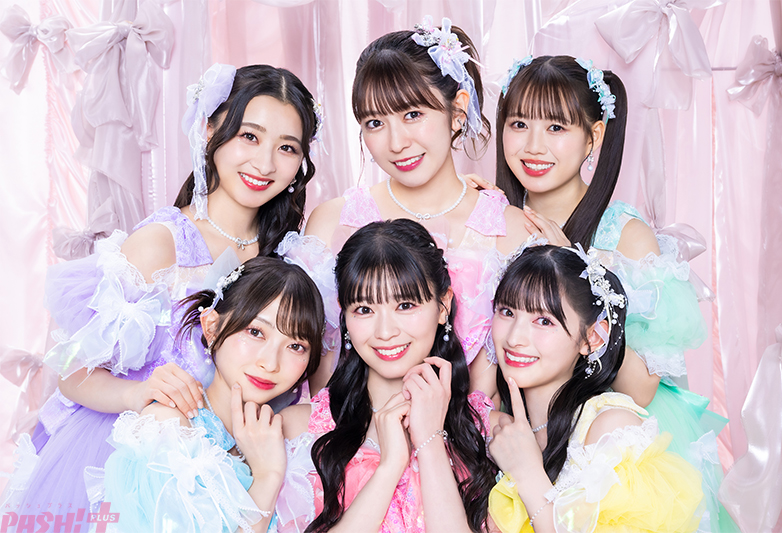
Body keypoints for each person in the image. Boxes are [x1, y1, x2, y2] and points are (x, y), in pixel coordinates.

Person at [1, 63, 320, 516]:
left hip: (237, 465)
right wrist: (136, 394)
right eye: (249, 136)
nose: (265, 163)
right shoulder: (161, 245)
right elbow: (70, 369)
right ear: (210, 131)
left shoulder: (290, 257)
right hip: (135, 461)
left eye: (286, 147)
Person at [495, 55, 734, 532]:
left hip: (606, 444)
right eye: (519, 124)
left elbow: (640, 388)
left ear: (594, 136)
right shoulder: (495, 220)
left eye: (556, 127)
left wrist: (579, 273)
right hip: (519, 425)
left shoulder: (624, 236)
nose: (533, 145)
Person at [279, 16, 528, 397]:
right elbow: (320, 379)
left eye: (413, 114)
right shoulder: (333, 222)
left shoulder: (509, 231)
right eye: (375, 123)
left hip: (469, 429)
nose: (396, 143)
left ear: (458, 111)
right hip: (347, 429)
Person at [277, 220, 497, 532]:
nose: (385, 332)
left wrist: (430, 440)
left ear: (443, 305)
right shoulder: (299, 430)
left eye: (405, 305)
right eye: (364, 309)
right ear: (344, 313)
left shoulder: (486, 431)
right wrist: (391, 465)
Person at [487, 245, 704, 533]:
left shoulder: (611, 429)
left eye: (544, 321)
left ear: (593, 338)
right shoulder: (504, 427)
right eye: (507, 312)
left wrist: (527, 474)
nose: (515, 338)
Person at [100, 257, 325, 533]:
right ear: (211, 328)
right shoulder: (168, 428)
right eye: (255, 332)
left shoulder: (289, 437)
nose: (270, 363)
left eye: (296, 346)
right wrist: (268, 475)